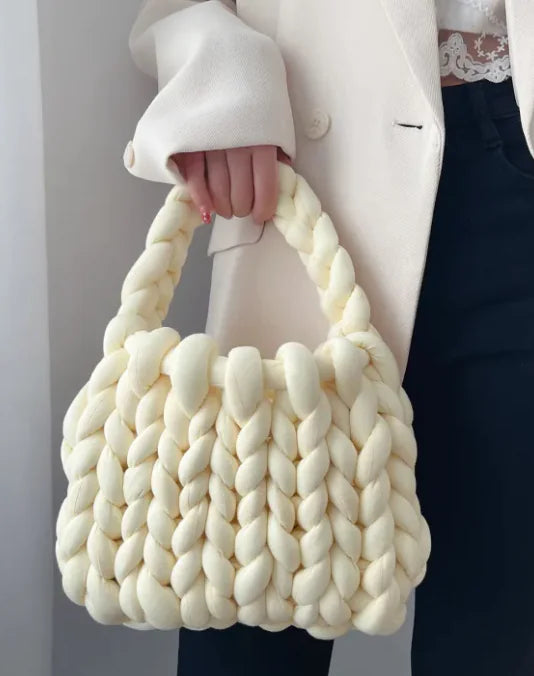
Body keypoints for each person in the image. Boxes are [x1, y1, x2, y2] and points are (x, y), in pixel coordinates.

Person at [124, 1, 534, 674]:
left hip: (515, 157)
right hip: (308, 162)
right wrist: (223, 82)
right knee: (249, 590)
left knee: (498, 626)